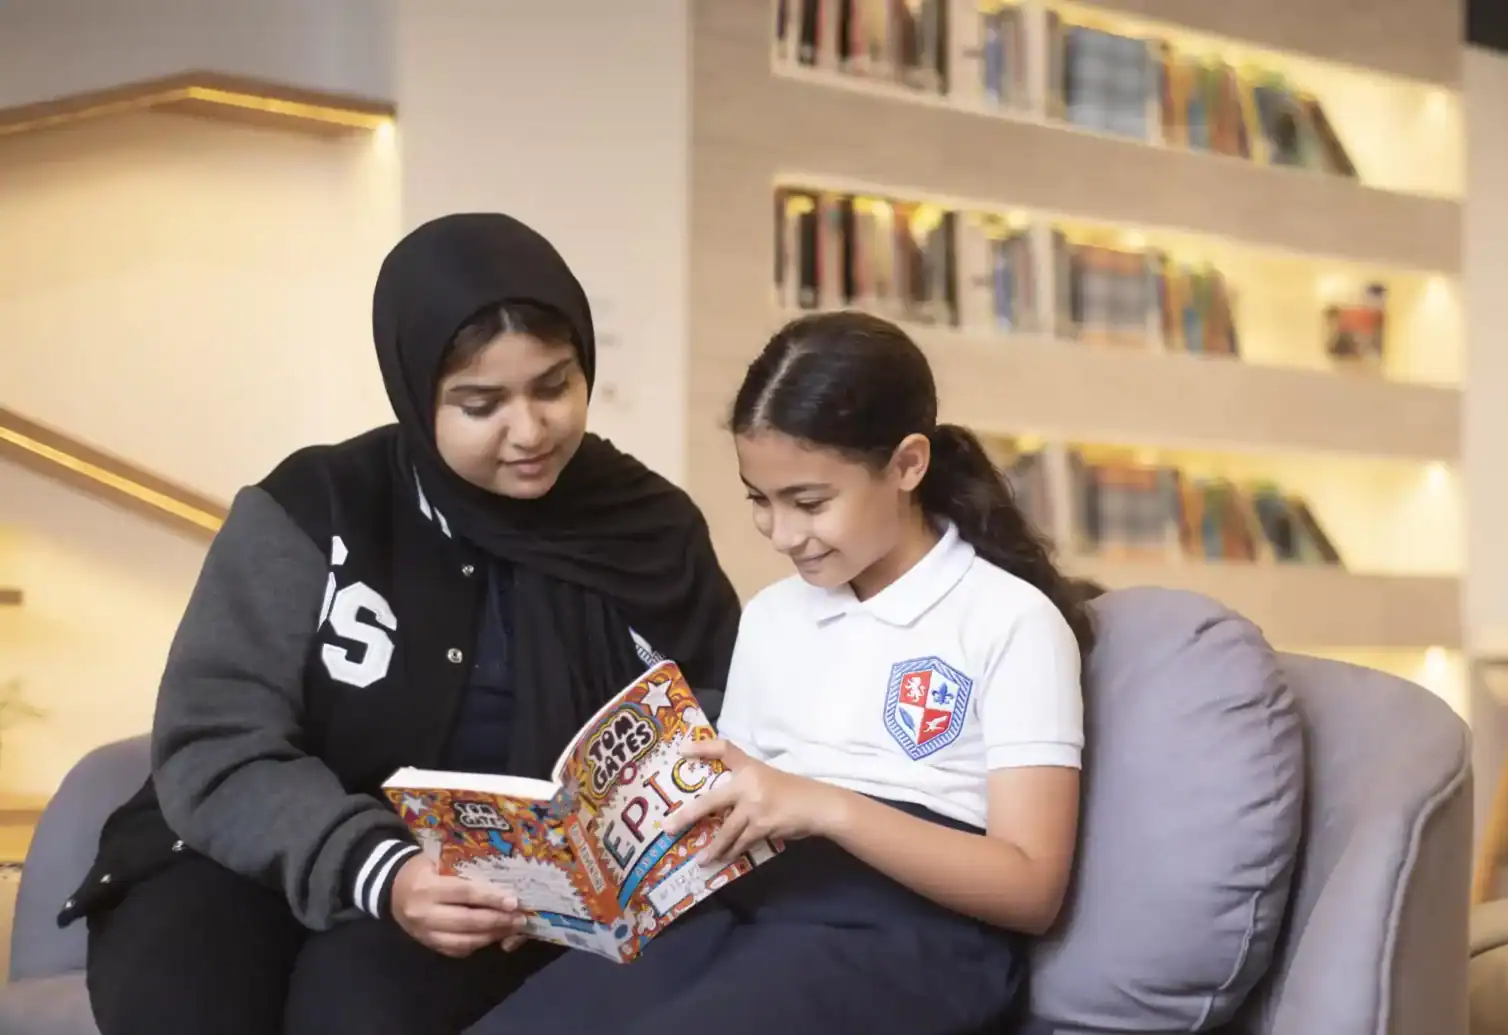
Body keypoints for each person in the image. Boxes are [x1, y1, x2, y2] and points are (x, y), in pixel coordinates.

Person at [68, 213, 741, 1035]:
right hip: (241, 857)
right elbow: (215, 738)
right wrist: (381, 868)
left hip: (492, 898)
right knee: (186, 1004)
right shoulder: (313, 508)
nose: (529, 431)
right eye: (480, 402)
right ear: (415, 392)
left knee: (362, 1012)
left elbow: (715, 720)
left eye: (554, 386)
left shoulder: (650, 528)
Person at [469, 309, 1093, 1035]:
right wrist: (574, 883)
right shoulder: (772, 616)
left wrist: (825, 805)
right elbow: (742, 816)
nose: (782, 533)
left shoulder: (1009, 620)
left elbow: (1032, 887)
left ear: (907, 465)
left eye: (809, 501)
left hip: (914, 934)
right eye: (760, 501)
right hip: (749, 901)